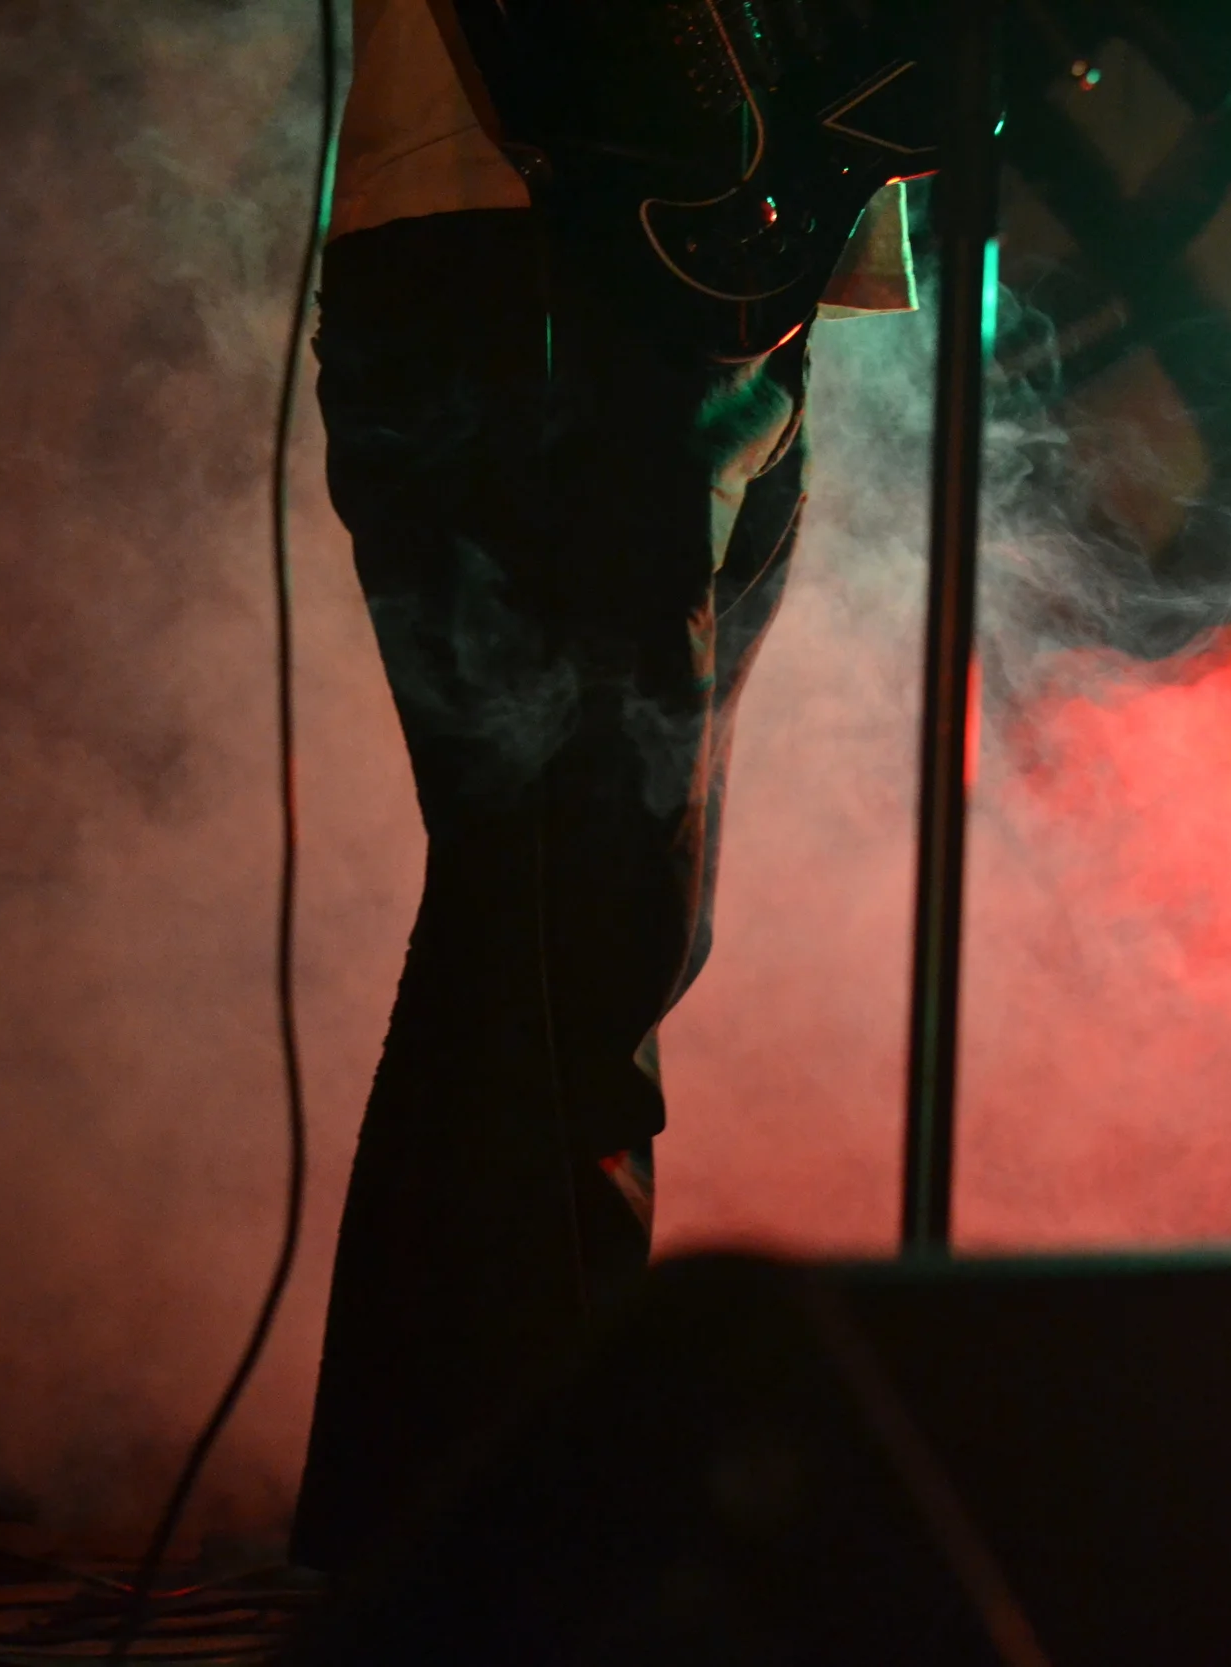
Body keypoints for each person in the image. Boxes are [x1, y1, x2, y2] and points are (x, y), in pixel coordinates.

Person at [292, 0, 915, 1575]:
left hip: (736, 288)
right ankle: (534, 1535)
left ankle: (430, 1525)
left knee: (569, 921)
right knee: (573, 914)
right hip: (528, 259)